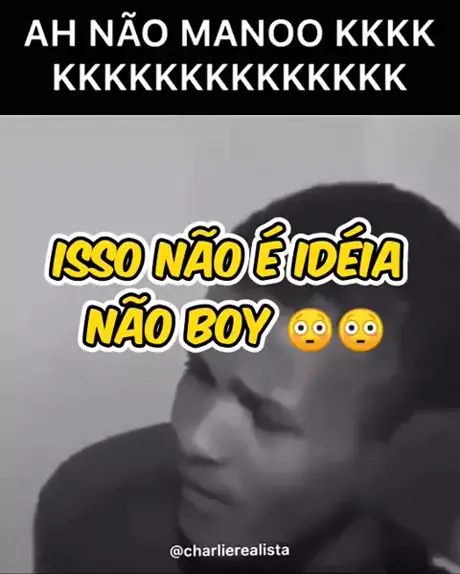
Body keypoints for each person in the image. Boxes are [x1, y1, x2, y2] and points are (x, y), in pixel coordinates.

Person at [34, 182, 460, 573]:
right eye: (200, 372)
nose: (195, 437)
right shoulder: (95, 523)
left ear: (406, 458)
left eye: (266, 417)